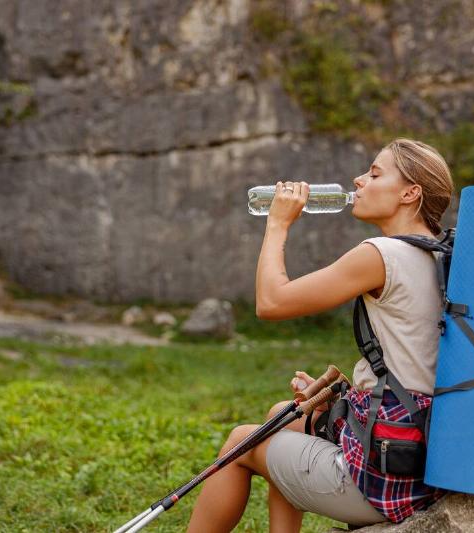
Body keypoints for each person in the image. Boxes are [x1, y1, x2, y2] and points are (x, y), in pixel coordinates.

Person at [187, 138, 454, 533]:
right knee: (281, 415)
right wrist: (349, 400)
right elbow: (417, 364)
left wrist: (277, 223)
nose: (358, 180)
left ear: (410, 193)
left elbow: (271, 303)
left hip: (386, 475)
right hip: (421, 449)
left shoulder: (381, 254)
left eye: (375, 174)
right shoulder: (439, 254)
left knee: (240, 442)